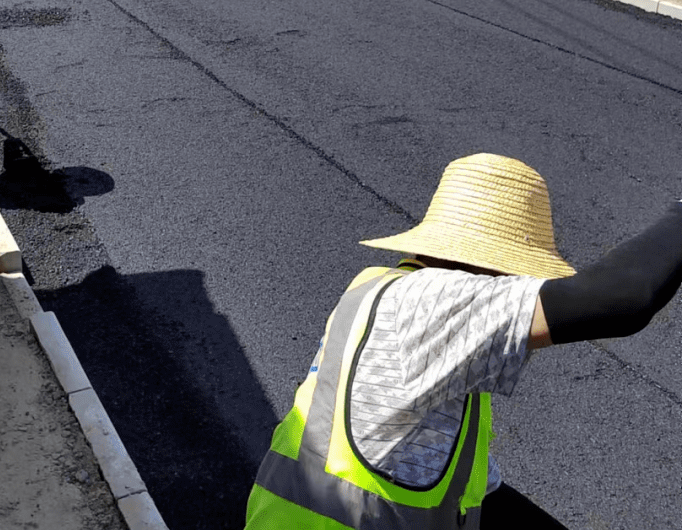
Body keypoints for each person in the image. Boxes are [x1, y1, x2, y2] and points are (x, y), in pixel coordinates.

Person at [245, 153, 682, 529]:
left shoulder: (414, 316)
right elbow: (623, 298)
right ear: (488, 271)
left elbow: (475, 494)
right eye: (520, 280)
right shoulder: (425, 306)